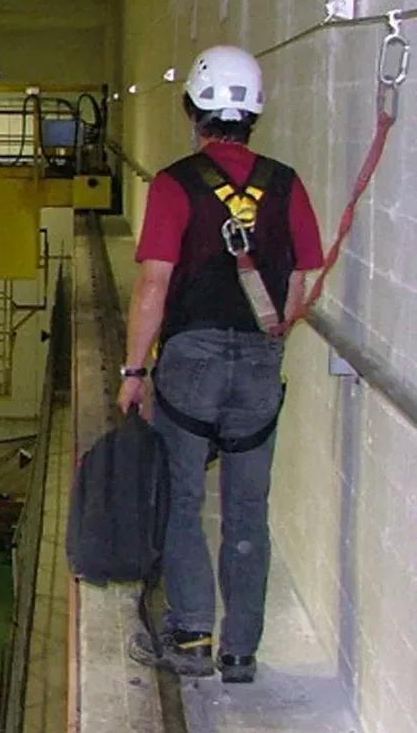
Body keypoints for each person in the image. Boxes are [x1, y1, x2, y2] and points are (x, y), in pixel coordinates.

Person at [117, 45, 324, 683]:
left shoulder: (175, 184)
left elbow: (154, 285)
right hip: (259, 362)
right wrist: (271, 335)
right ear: (254, 114)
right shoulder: (286, 182)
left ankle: (189, 637)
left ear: (193, 110)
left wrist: (133, 372)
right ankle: (239, 652)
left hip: (191, 362)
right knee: (247, 509)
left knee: (183, 498)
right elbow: (303, 283)